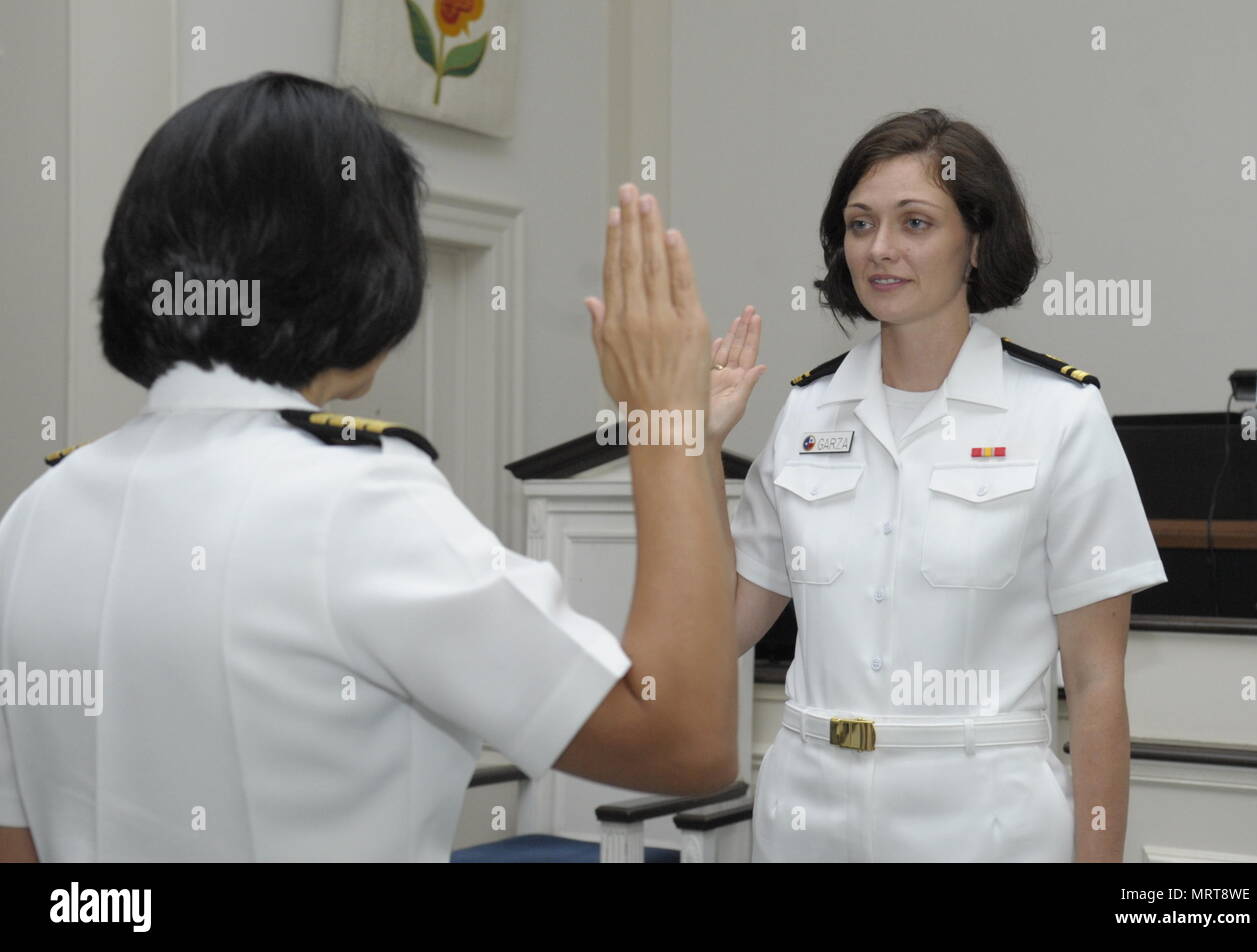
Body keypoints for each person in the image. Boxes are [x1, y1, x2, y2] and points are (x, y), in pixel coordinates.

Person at [0, 71, 738, 861]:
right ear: (362, 279)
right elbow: (684, 740)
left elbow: (23, 839)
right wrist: (667, 419)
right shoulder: (352, 500)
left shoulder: (38, 514)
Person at [724, 108, 1168, 862]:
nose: (881, 249)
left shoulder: (1059, 414)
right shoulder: (805, 410)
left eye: (916, 223)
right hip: (806, 816)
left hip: (985, 823)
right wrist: (693, 452)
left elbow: (1096, 685)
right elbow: (719, 630)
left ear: (977, 244)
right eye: (859, 224)